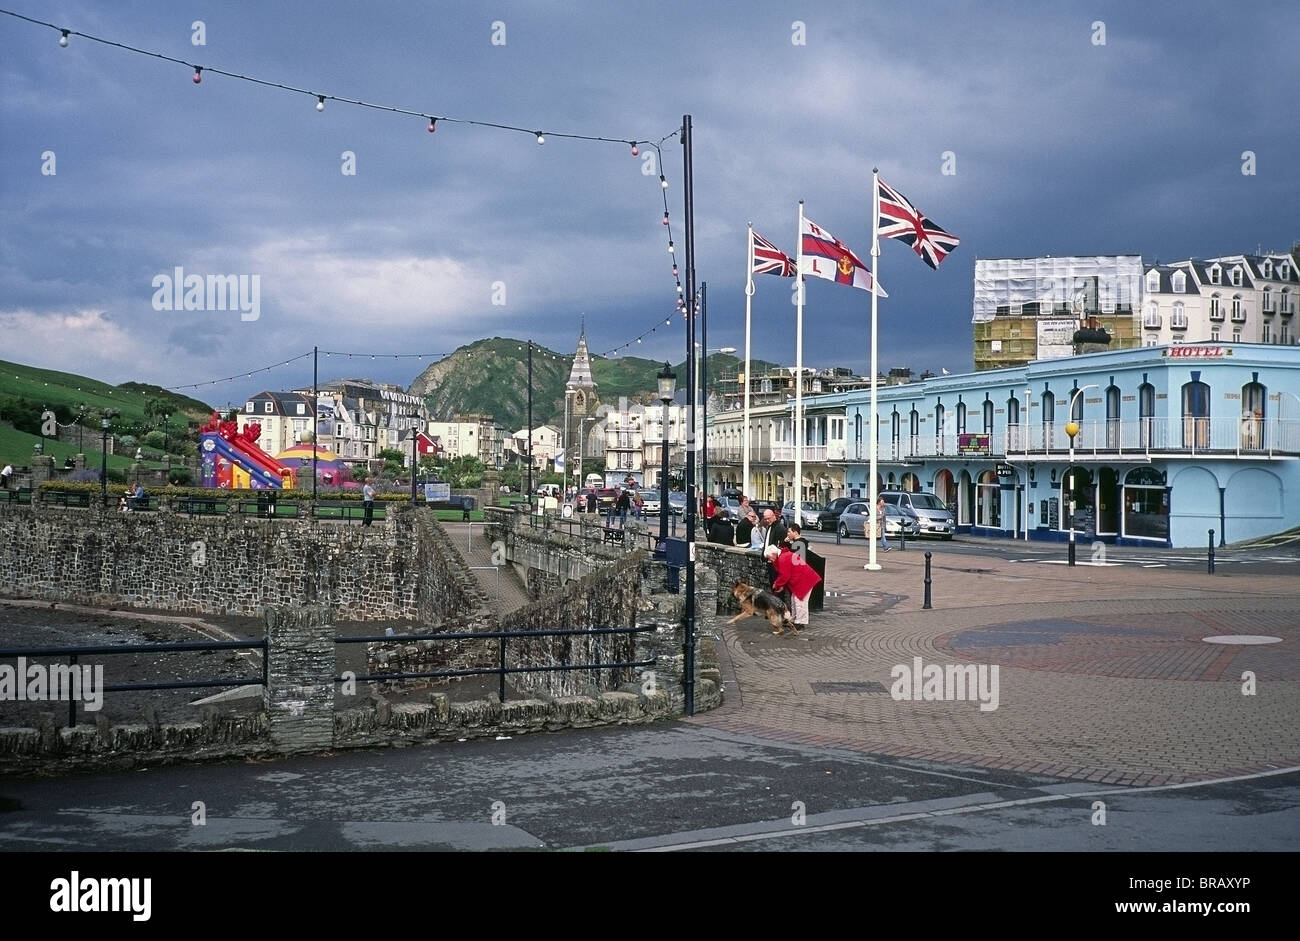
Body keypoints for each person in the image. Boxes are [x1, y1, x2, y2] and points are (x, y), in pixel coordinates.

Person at [768, 541, 822, 631]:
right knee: (795, 600)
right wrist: (779, 584)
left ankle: (800, 622)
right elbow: (784, 575)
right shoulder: (784, 556)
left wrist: (777, 584)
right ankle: (795, 619)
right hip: (803, 579)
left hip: (804, 581)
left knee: (800, 602)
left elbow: (784, 575)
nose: (769, 560)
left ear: (774, 554)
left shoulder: (783, 558)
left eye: (769, 557)